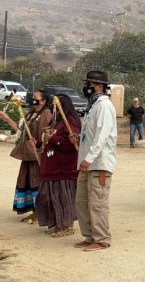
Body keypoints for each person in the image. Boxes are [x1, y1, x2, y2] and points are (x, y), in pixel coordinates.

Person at [74, 71, 117, 251]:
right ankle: (90, 235)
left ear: (99, 86)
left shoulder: (104, 106)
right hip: (87, 162)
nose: (88, 87)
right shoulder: (92, 106)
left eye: (91, 83)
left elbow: (101, 136)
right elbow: (91, 135)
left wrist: (89, 158)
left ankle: (102, 238)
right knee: (82, 201)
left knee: (97, 202)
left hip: (98, 163)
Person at [0, 91, 53, 224]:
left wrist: (38, 144)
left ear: (43, 101)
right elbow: (20, 131)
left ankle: (40, 212)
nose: (32, 99)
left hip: (37, 155)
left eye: (36, 97)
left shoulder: (46, 114)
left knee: (37, 182)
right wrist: (6, 118)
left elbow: (45, 135)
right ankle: (34, 211)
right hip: (27, 154)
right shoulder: (30, 113)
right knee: (27, 181)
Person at [35, 94, 81, 237]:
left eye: (56, 105)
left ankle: (66, 226)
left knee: (63, 198)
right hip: (53, 166)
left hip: (64, 168)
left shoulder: (71, 122)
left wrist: (53, 138)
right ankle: (57, 224)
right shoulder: (58, 122)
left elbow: (70, 144)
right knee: (51, 197)